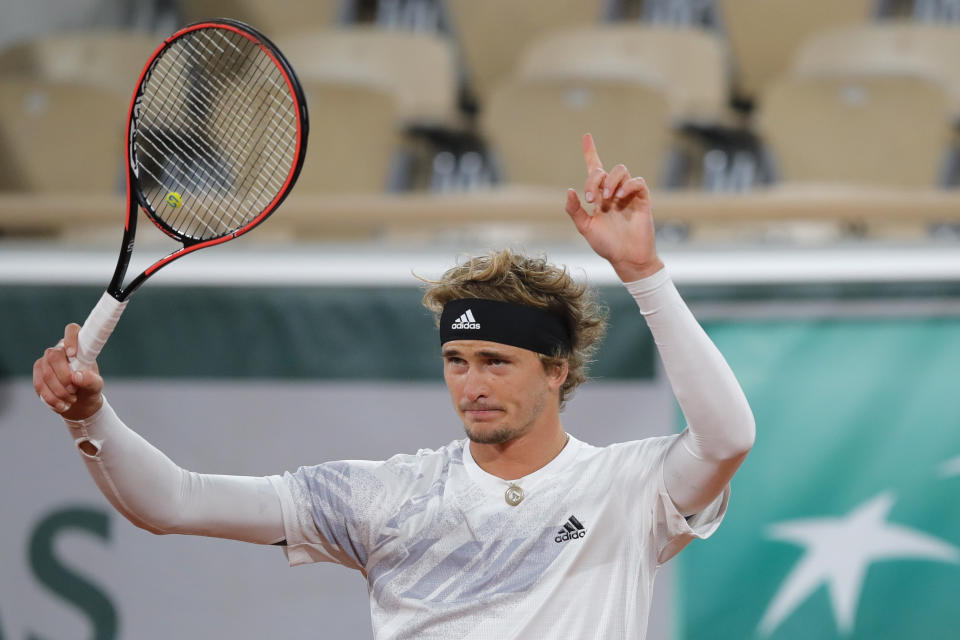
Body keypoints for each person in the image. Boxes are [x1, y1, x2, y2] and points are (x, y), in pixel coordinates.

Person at [33, 134, 754, 639]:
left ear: (556, 370)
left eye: (496, 361)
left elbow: (728, 437)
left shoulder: (626, 488)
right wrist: (89, 415)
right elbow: (171, 502)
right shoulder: (385, 497)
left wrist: (643, 274)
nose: (471, 383)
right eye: (457, 359)